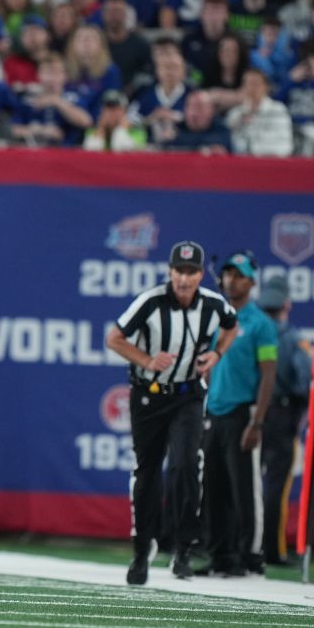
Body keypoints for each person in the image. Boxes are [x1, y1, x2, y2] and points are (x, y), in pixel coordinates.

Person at [107, 241, 238, 585]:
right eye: (179, 271)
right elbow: (115, 338)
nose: (184, 278)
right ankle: (141, 549)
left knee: (184, 466)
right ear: (169, 271)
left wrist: (218, 354)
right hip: (149, 397)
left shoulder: (212, 304)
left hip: (188, 395)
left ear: (199, 275)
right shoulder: (150, 302)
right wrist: (147, 360)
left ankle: (183, 548)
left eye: (191, 271)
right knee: (147, 472)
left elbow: (232, 324)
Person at [200, 252, 276, 577]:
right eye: (228, 274)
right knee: (214, 489)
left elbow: (269, 374)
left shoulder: (261, 324)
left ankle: (250, 556)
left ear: (252, 282)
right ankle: (221, 556)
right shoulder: (216, 320)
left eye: (239, 275)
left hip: (242, 414)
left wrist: (257, 421)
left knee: (244, 490)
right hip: (214, 412)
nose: (232, 280)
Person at [255, 275, 312, 567]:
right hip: (280, 414)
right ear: (286, 303)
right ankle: (272, 550)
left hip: (249, 412)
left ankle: (242, 543)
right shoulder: (292, 338)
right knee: (276, 484)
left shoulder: (248, 331)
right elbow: (306, 381)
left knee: (245, 481)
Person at [14, 54, 93, 147]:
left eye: (56, 73)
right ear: (38, 74)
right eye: (47, 73)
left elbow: (86, 122)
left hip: (68, 153)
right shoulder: (28, 100)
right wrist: (41, 130)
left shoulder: (73, 97)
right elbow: (13, 129)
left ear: (65, 76)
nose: (51, 78)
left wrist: (57, 101)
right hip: (34, 152)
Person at [128, 38, 190, 143]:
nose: (170, 72)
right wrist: (151, 118)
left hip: (184, 145)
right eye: (165, 67)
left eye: (175, 68)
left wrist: (176, 116)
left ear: (183, 72)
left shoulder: (192, 96)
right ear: (157, 71)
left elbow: (203, 119)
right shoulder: (145, 95)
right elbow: (130, 120)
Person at [226, 68, 294, 156]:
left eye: (255, 83)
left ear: (266, 86)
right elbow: (231, 144)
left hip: (272, 163)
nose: (251, 88)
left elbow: (285, 146)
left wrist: (253, 149)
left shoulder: (278, 110)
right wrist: (239, 122)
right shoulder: (236, 113)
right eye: (247, 83)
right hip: (242, 164)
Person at [65, 24, 122, 116]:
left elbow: (110, 107)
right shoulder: (64, 70)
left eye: (92, 38)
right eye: (80, 38)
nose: (86, 42)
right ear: (72, 45)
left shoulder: (110, 71)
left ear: (102, 45)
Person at [100, 0, 151, 94]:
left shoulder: (140, 44)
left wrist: (133, 88)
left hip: (133, 94)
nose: (114, 16)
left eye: (118, 11)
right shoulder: (96, 43)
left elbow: (147, 73)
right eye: (110, 11)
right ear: (103, 14)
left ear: (126, 15)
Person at [180, 0, 232, 86]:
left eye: (219, 12)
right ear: (201, 14)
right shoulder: (189, 39)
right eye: (210, 11)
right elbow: (183, 67)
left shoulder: (235, 41)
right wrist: (200, 80)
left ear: (227, 16)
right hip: (195, 87)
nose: (214, 17)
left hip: (225, 90)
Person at [161, 90, 232, 154]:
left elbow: (219, 146)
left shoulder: (221, 129)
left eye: (200, 108)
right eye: (191, 107)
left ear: (211, 110)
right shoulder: (176, 126)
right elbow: (164, 147)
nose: (194, 113)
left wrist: (180, 140)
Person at [82, 90, 146, 152]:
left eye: (115, 108)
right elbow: (90, 155)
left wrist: (121, 129)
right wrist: (100, 129)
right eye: (107, 108)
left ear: (124, 111)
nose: (110, 113)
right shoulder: (92, 131)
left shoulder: (136, 131)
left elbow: (122, 151)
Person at [2, 15, 53, 92]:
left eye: (36, 30)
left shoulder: (58, 61)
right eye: (26, 32)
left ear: (48, 35)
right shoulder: (11, 63)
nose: (31, 35)